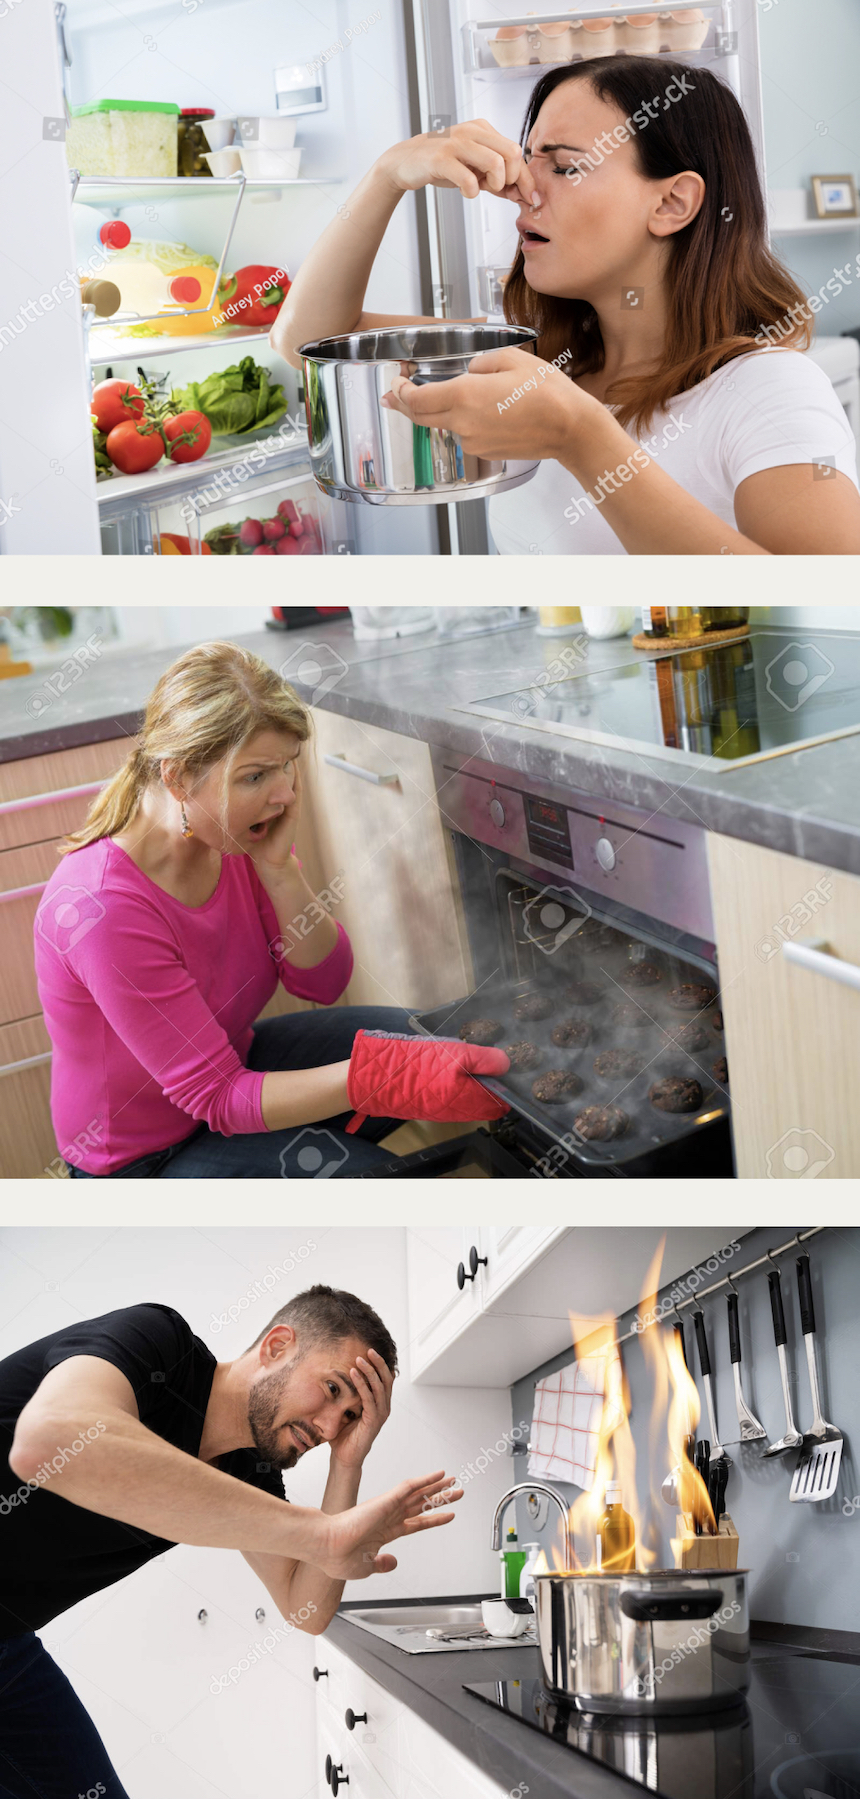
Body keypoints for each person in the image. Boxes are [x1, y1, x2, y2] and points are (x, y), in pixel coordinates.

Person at [272, 56, 860, 555]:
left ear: (673, 203)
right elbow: (312, 337)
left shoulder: (769, 390)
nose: (525, 189)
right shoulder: (536, 366)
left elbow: (827, 609)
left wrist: (581, 438)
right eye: (529, 160)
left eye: (565, 165)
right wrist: (386, 177)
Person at [33, 640, 510, 1177]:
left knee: (433, 1039)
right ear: (178, 775)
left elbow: (324, 981)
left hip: (235, 1064)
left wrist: (279, 869)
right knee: (371, 1177)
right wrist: (377, 1078)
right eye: (256, 776)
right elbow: (218, 1098)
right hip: (145, 1158)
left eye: (287, 766)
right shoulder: (106, 910)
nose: (283, 793)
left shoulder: (229, 836)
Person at [0, 1284, 461, 1799]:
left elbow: (305, 1607)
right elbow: (51, 1439)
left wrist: (347, 1462)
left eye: (350, 1418)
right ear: (277, 1346)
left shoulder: (252, 1471)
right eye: (332, 1390)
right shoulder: (158, 1345)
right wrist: (322, 1534)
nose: (331, 1426)